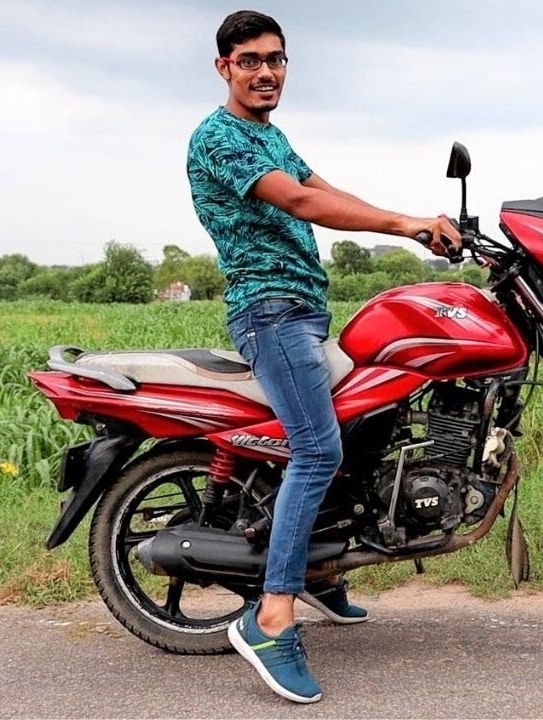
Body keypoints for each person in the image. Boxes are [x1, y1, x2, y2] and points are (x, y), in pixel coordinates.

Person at [186, 10, 461, 704]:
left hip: (303, 314)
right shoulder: (220, 137)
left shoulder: (271, 136)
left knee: (363, 427)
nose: (265, 72)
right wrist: (406, 223)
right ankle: (272, 616)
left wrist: (421, 228)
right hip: (270, 313)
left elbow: (327, 190)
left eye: (276, 59)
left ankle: (320, 571)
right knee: (316, 451)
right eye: (249, 61)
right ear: (224, 68)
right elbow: (303, 200)